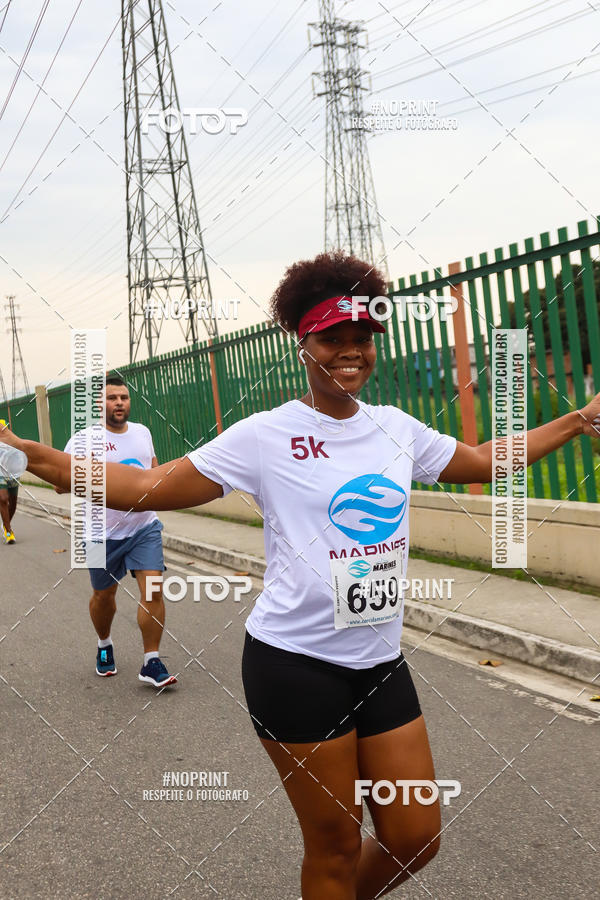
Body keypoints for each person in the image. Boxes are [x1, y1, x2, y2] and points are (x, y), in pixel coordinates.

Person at [2, 251, 599, 899]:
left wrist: (576, 420)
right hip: (295, 666)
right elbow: (144, 486)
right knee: (337, 847)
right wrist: (30, 456)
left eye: (362, 339)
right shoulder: (266, 435)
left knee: (414, 838)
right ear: (302, 345)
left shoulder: (394, 429)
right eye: (332, 338)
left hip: (378, 663)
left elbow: (484, 460)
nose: (350, 352)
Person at [58, 376, 177, 688]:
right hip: (99, 533)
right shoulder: (83, 440)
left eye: (123, 397)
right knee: (103, 595)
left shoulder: (142, 433)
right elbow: (60, 482)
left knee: (152, 589)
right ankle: (104, 642)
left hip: (143, 527)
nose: (119, 402)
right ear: (99, 404)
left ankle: (152, 661)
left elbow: (153, 472)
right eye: (112, 398)